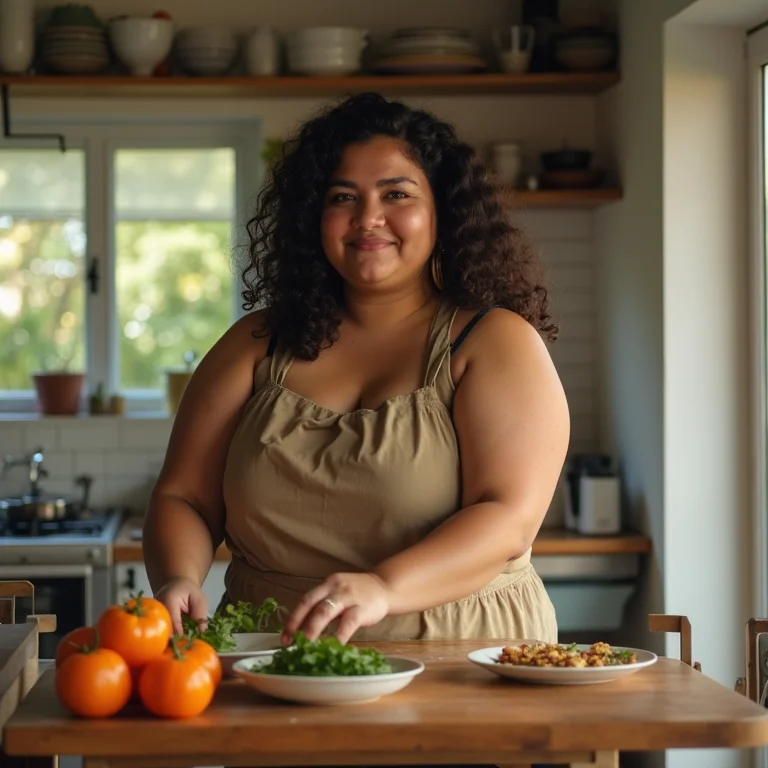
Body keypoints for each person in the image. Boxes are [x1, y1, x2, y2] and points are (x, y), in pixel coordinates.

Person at [143, 92, 570, 647]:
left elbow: (508, 519)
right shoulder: (253, 345)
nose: (369, 217)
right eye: (342, 196)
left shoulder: (494, 342)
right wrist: (178, 577)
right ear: (312, 218)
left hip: (460, 654)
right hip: (267, 654)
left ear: (443, 210)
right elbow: (184, 499)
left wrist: (384, 588)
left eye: (396, 193)